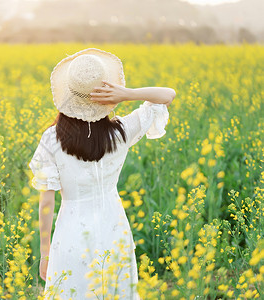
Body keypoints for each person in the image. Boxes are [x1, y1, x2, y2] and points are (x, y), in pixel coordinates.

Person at [28, 48, 175, 299]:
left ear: (69, 94)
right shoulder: (121, 131)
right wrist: (126, 95)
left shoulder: (52, 138)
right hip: (113, 228)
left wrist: (45, 253)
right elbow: (167, 95)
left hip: (71, 232)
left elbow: (47, 201)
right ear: (107, 92)